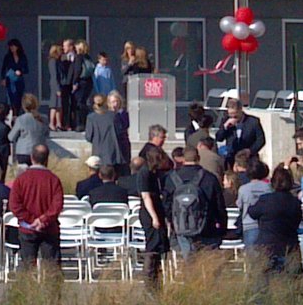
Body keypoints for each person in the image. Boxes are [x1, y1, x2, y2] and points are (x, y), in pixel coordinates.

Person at [244, 162, 303, 293]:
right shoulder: (295, 202)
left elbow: (252, 213)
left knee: (262, 284)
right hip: (289, 245)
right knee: (293, 283)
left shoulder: (265, 199)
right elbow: (298, 219)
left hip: (267, 246)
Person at [164, 141, 225, 265]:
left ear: (182, 159)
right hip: (207, 226)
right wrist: (221, 225)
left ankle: (191, 281)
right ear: (198, 158)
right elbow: (219, 205)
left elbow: (166, 203)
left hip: (182, 226)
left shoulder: (172, 178)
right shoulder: (209, 178)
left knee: (189, 260)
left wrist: (173, 221)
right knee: (208, 264)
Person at [8, 142, 66, 272]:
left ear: (31, 157)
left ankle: (26, 291)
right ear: (47, 159)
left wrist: (30, 220)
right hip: (49, 228)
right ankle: (52, 291)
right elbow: (57, 205)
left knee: (27, 267)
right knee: (52, 268)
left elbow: (14, 204)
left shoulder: (21, 179)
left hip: (28, 229)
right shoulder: (53, 179)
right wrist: (43, 219)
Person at [130, 143, 175, 285]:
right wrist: (154, 217)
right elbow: (146, 197)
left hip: (157, 208)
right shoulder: (144, 173)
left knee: (160, 243)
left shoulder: (155, 173)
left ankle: (157, 275)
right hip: (150, 212)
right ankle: (150, 279)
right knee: (152, 244)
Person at [83, 93, 130, 177]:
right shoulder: (114, 116)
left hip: (98, 153)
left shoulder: (91, 117)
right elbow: (120, 133)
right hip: (113, 153)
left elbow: (88, 136)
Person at [215, 99, 265, 169]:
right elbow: (219, 138)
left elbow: (261, 140)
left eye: (235, 115)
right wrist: (225, 127)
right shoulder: (226, 121)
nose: (233, 117)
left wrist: (250, 150)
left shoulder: (253, 121)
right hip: (232, 158)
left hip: (248, 158)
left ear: (240, 110)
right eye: (230, 115)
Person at [8, 93, 50, 161]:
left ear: (24, 106)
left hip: (23, 151)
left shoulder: (21, 119)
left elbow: (11, 137)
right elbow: (47, 134)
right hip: (39, 152)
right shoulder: (44, 118)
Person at [0, 38, 31, 110]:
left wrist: (21, 71)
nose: (11, 48)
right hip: (10, 79)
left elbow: (26, 69)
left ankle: (17, 113)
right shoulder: (8, 57)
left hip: (19, 80)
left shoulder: (22, 57)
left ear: (17, 47)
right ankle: (11, 112)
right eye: (10, 47)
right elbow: (3, 68)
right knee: (10, 97)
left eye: (13, 46)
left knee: (19, 97)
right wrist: (3, 78)